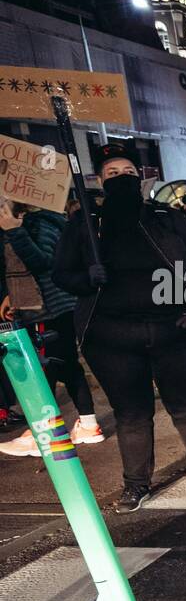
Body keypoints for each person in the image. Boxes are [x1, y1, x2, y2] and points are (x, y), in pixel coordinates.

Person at [52, 143, 186, 513]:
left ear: (141, 178)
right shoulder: (85, 225)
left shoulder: (167, 218)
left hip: (175, 332)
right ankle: (136, 485)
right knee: (131, 413)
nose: (121, 179)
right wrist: (87, 277)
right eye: (112, 174)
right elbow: (61, 275)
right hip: (112, 339)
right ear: (100, 181)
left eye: (128, 173)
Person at [0, 196, 102, 457]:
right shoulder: (36, 220)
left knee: (50, 366)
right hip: (46, 306)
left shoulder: (40, 221)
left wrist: (14, 230)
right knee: (65, 365)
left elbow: (44, 262)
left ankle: (40, 433)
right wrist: (13, 295)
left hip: (54, 307)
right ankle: (87, 426)